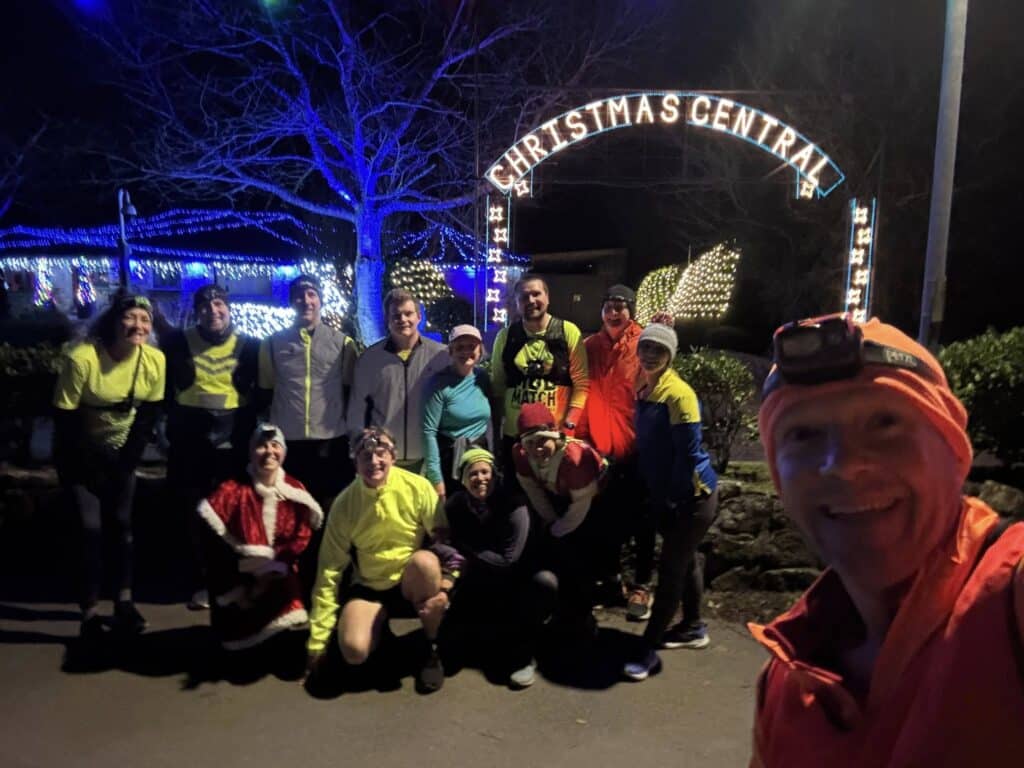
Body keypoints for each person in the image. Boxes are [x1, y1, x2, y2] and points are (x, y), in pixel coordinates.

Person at [749, 314, 1024, 767]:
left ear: (953, 448)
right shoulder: (782, 685)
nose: (842, 464)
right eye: (804, 434)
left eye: (884, 422)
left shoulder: (1009, 599)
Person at [306, 427, 462, 693]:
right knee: (354, 651)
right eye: (365, 456)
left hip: (410, 581)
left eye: (381, 453)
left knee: (425, 562)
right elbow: (329, 571)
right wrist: (318, 641)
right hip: (370, 585)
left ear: (393, 456)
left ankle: (432, 648)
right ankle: (382, 634)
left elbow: (445, 546)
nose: (374, 462)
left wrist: (446, 588)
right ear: (355, 462)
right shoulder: (344, 504)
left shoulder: (418, 487)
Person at [52, 293, 166, 640]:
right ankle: (89, 611)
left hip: (121, 455)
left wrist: (124, 464)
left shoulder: (153, 361)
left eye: (145, 320)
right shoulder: (81, 358)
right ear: (114, 322)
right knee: (89, 531)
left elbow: (147, 418)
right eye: (130, 318)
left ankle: (124, 602)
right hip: (79, 454)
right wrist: (91, 464)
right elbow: (65, 419)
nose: (138, 326)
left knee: (122, 528)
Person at [623, 322, 718, 682]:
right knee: (687, 558)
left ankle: (648, 649)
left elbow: (688, 456)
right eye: (645, 347)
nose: (649, 354)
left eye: (657, 350)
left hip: (692, 497)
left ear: (670, 355)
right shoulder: (644, 385)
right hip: (667, 493)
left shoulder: (679, 394)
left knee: (671, 569)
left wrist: (675, 500)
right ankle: (694, 627)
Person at [162, 283, 260, 610]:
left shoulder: (250, 347)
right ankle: (202, 581)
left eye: (219, 304)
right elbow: (162, 393)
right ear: (197, 310)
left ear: (229, 308)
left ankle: (235, 579)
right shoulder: (176, 343)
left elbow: (261, 396)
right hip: (191, 441)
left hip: (234, 441)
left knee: (234, 513)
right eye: (206, 306)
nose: (213, 311)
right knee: (195, 517)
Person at [197, 424, 322, 654]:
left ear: (283, 452)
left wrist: (277, 565)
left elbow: (303, 536)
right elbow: (213, 540)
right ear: (251, 451)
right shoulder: (232, 490)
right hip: (238, 572)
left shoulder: (295, 489)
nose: (269, 452)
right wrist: (245, 568)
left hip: (281, 568)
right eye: (262, 446)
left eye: (275, 446)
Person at [443, 447, 557, 689]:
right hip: (479, 579)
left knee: (543, 583)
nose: (480, 478)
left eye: (486, 472)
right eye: (472, 474)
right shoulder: (455, 505)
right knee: (451, 650)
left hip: (518, 578)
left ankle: (525, 657)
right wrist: (456, 555)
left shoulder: (515, 506)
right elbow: (443, 542)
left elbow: (509, 560)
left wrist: (465, 547)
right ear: (463, 479)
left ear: (495, 475)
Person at [576, 284, 656, 616]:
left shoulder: (643, 344)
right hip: (600, 448)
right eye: (609, 306)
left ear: (631, 310)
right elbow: (579, 389)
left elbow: (662, 375)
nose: (614, 312)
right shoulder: (589, 345)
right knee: (604, 520)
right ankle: (611, 582)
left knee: (642, 522)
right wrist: (580, 439)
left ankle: (641, 586)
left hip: (637, 448)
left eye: (621, 306)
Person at [258, 273, 358, 506]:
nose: (306, 301)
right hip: (288, 441)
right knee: (291, 507)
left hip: (331, 441)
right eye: (299, 296)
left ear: (321, 299)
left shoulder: (343, 343)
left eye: (312, 294)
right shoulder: (273, 343)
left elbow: (351, 392)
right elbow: (266, 391)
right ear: (292, 301)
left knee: (331, 507)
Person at [513, 402, 605, 636]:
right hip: (560, 494)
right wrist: (551, 521)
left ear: (555, 435)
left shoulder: (575, 459)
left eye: (543, 440)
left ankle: (583, 616)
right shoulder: (521, 455)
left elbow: (580, 506)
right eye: (530, 442)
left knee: (578, 552)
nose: (537, 449)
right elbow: (533, 490)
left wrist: (557, 530)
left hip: (594, 498)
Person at [490, 274, 589, 480]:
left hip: (555, 434)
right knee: (517, 497)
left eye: (536, 294)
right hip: (515, 435)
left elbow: (581, 383)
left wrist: (569, 426)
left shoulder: (568, 331)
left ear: (548, 297)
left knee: (556, 495)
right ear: (517, 303)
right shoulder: (505, 336)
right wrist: (498, 435)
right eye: (524, 297)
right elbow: (498, 386)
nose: (531, 301)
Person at [348, 289, 449, 473]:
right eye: (396, 315)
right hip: (382, 459)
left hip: (428, 459)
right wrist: (359, 446)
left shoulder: (440, 356)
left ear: (419, 316)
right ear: (387, 320)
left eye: (408, 313)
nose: (403, 319)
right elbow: (357, 409)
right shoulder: (370, 359)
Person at [422, 324, 494, 499]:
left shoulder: (482, 378)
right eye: (460, 347)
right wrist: (436, 478)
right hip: (450, 458)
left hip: (479, 454)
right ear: (450, 351)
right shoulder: (438, 384)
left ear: (479, 350)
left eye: (471, 346)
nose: (466, 352)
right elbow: (428, 432)